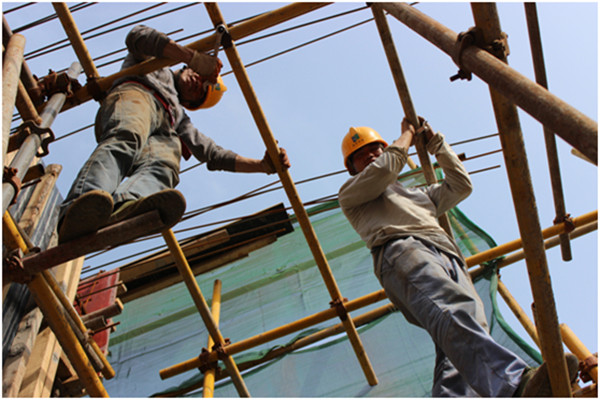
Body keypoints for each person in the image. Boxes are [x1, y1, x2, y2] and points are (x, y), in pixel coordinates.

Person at [337, 118, 578, 397]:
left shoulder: (418, 195)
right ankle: (514, 385)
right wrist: (407, 135)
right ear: (352, 168)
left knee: (461, 336)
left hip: (447, 255)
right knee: (454, 313)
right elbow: (387, 167)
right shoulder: (352, 195)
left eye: (375, 149)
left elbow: (461, 185)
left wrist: (435, 143)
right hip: (402, 250)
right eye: (361, 155)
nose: (371, 155)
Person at [58, 25, 290, 244]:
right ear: (189, 68)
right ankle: (80, 207)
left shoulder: (179, 117)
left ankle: (122, 207)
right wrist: (192, 57)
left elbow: (213, 154)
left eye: (200, 92)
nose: (198, 83)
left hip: (163, 124)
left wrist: (263, 165)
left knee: (166, 165)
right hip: (137, 93)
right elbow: (137, 36)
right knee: (128, 137)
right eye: (200, 77)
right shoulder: (156, 65)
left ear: (189, 103)